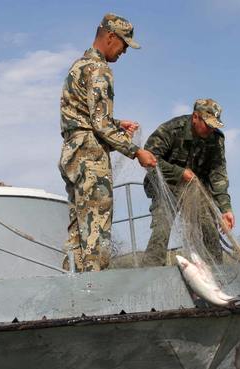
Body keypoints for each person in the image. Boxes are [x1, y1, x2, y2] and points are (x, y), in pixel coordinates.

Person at [59, 13, 157, 272]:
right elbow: (99, 124)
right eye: (124, 44)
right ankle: (94, 291)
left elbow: (86, 117)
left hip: (73, 154)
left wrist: (117, 123)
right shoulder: (100, 69)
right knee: (96, 229)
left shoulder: (78, 66)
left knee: (78, 226)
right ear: (111, 37)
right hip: (90, 158)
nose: (124, 51)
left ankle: (72, 286)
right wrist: (136, 151)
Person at [141, 99, 234, 266]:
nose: (211, 129)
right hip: (165, 186)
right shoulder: (170, 130)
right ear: (195, 117)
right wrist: (179, 172)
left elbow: (217, 173)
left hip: (194, 189)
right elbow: (148, 159)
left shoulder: (216, 139)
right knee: (162, 228)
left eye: (215, 126)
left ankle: (216, 275)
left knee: (209, 229)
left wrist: (225, 209)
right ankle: (150, 274)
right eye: (208, 124)